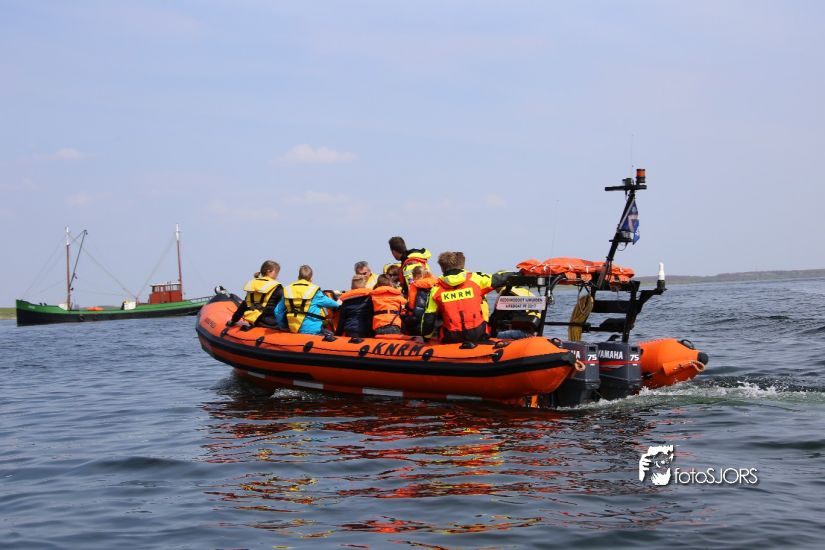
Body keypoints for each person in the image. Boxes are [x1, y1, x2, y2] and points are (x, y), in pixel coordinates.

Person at [421, 251, 494, 343]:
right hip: (478, 334)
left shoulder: (436, 289)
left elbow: (429, 318)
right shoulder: (476, 280)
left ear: (442, 268)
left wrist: (426, 338)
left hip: (451, 337)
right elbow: (500, 278)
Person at [274, 265, 341, 334]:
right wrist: (340, 303)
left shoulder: (288, 289)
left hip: (293, 329)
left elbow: (277, 311)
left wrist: (283, 326)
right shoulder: (314, 291)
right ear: (311, 278)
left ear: (298, 277)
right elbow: (333, 304)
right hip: (312, 331)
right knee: (332, 334)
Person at [228, 260, 283, 327]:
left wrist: (234, 320)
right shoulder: (276, 287)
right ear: (269, 271)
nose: (277, 275)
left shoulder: (252, 284)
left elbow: (244, 305)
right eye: (276, 272)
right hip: (270, 323)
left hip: (254, 321)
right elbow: (284, 305)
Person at [403, 265, 439, 336]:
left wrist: (406, 318)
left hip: (419, 322)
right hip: (435, 319)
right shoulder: (436, 283)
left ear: (417, 276)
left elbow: (416, 310)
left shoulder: (416, 286)